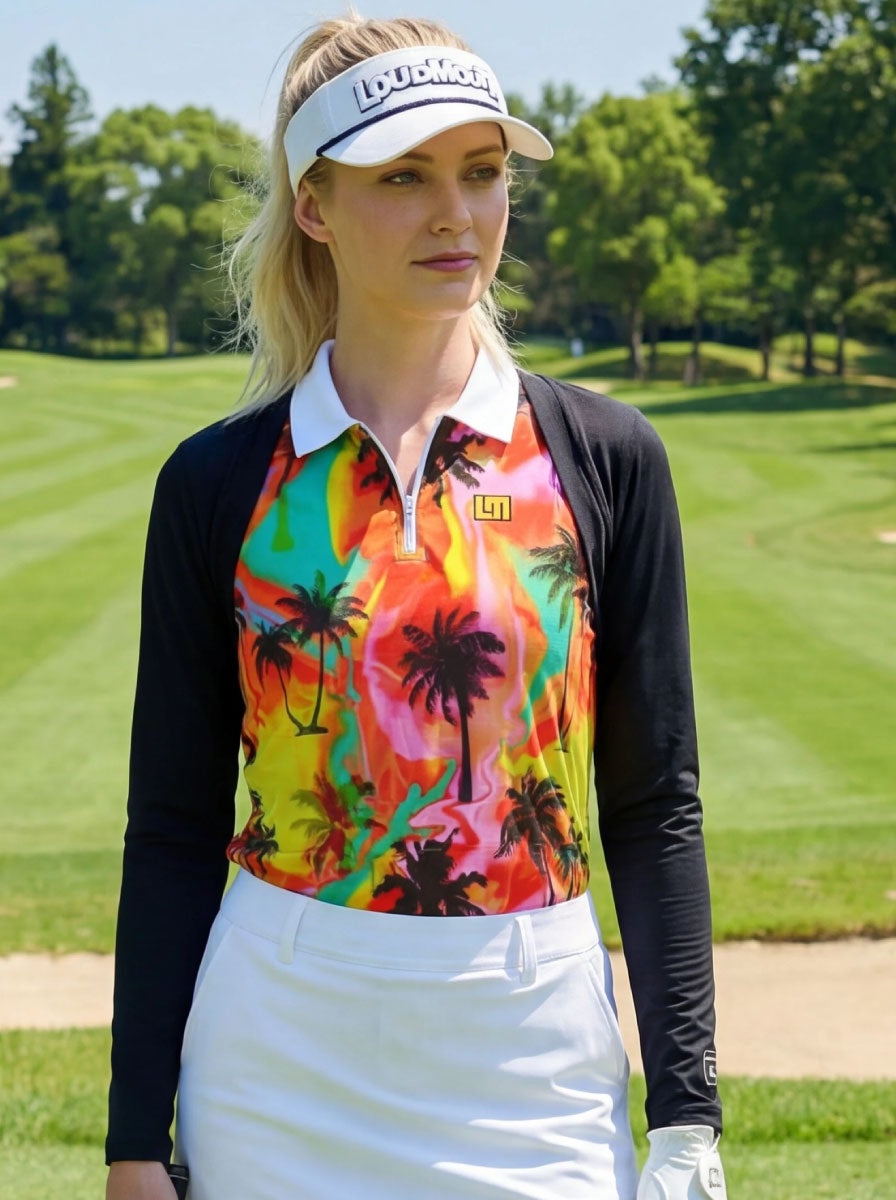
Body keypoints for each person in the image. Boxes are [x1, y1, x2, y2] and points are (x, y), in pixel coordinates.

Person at [105, 13, 726, 1200]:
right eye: (404, 177)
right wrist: (136, 1139)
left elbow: (655, 806)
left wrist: (688, 1119)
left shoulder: (603, 458)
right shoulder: (219, 482)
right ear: (314, 204)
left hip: (532, 1047)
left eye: (481, 173)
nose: (457, 213)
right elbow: (173, 825)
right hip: (279, 1045)